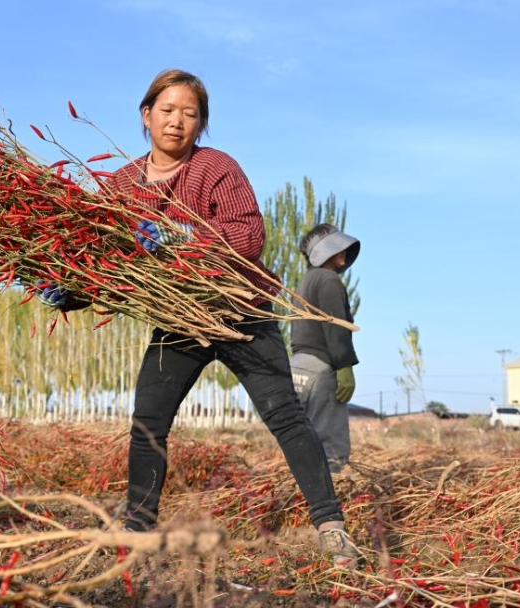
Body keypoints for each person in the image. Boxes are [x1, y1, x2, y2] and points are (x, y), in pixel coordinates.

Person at [39, 69, 360, 568]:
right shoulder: (122, 186)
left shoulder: (216, 168)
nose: (177, 122)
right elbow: (103, 265)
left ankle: (331, 526)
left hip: (240, 314)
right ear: (146, 116)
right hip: (181, 321)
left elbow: (249, 235)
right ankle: (138, 533)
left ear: (202, 123)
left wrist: (184, 237)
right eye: (167, 111)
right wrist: (69, 291)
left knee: (286, 418)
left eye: (190, 114)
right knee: (148, 422)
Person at [289, 223, 360, 474]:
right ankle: (329, 506)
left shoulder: (304, 282)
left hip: (297, 367)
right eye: (339, 249)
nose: (344, 255)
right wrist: (345, 366)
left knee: (303, 444)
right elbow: (336, 327)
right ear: (326, 252)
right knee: (331, 450)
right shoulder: (329, 280)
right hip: (320, 369)